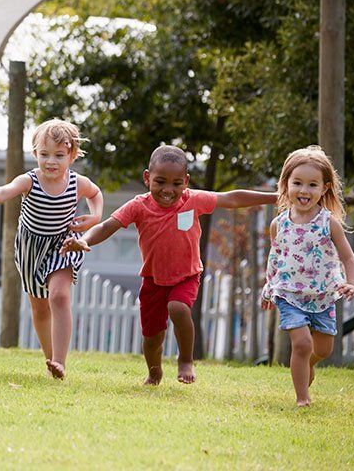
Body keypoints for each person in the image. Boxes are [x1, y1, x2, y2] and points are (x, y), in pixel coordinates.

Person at [67, 145, 276, 385]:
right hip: (153, 279)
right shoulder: (138, 205)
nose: (168, 190)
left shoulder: (193, 200)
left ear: (186, 181)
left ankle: (185, 359)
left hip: (187, 275)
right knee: (152, 338)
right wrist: (83, 240)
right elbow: (107, 226)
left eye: (177, 183)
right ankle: (154, 372)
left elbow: (231, 198)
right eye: (160, 182)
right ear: (147, 178)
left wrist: (275, 196)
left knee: (178, 308)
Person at [0, 120, 103, 379]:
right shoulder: (29, 180)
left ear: (71, 156)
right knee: (39, 308)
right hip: (30, 247)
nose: (51, 161)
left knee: (59, 296)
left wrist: (95, 217)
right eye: (44, 154)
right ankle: (51, 360)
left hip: (63, 243)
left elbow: (95, 194)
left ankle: (60, 361)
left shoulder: (77, 182)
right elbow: (5, 191)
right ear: (35, 154)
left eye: (59, 155)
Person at [259, 146, 354, 406]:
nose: (304, 191)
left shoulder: (329, 223)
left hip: (323, 294)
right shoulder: (278, 224)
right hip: (289, 294)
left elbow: (348, 257)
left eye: (312, 185)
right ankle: (302, 398)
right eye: (298, 183)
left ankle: (307, 365)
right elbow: (276, 259)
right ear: (286, 184)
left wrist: (353, 282)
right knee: (302, 344)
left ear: (324, 188)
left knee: (323, 349)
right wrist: (269, 289)